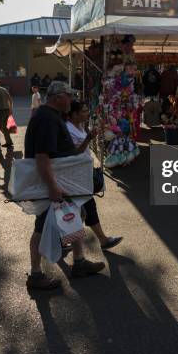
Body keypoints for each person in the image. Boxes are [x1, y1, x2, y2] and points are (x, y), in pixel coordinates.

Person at [24, 81, 105, 290]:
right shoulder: (46, 118)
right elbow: (42, 156)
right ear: (57, 97)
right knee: (41, 227)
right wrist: (52, 186)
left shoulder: (53, 116)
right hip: (53, 184)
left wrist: (87, 139)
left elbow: (69, 151)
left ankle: (79, 262)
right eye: (69, 95)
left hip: (63, 182)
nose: (71, 99)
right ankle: (35, 274)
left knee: (77, 217)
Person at [66, 101, 122, 250]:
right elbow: (74, 152)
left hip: (82, 174)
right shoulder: (68, 129)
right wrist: (88, 138)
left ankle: (63, 241)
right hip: (75, 176)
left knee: (83, 209)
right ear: (74, 114)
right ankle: (102, 240)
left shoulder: (78, 126)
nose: (86, 113)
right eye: (83, 111)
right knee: (85, 208)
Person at [0, 79, 13, 151]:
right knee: (4, 127)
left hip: (0, 111)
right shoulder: (4, 89)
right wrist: (11, 108)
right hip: (7, 110)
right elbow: (10, 99)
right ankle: (9, 142)